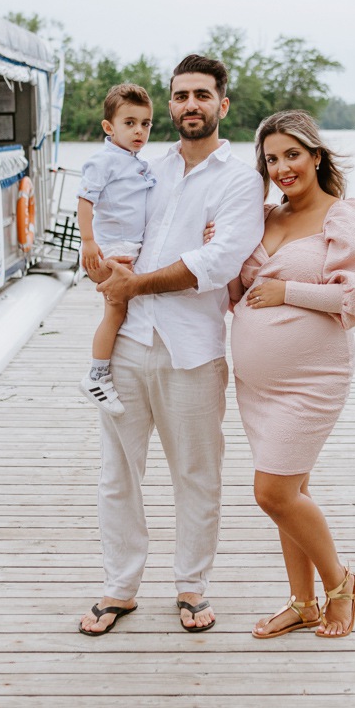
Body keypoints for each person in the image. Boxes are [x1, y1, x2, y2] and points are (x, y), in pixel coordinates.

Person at [78, 54, 264, 636]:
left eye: (201, 95)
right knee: (118, 474)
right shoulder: (147, 169)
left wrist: (143, 278)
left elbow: (218, 261)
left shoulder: (240, 180)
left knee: (196, 473)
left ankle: (191, 586)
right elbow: (112, 227)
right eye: (180, 96)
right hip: (129, 338)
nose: (190, 105)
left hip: (192, 348)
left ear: (222, 105)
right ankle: (120, 588)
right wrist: (103, 265)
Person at [229, 110, 355, 639]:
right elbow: (235, 292)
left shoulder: (343, 216)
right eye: (271, 159)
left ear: (316, 156)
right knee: (291, 495)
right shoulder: (264, 218)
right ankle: (302, 603)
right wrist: (219, 243)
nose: (282, 168)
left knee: (273, 493)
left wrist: (287, 291)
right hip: (257, 385)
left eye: (292, 155)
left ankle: (341, 585)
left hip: (311, 380)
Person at [77, 83, 156, 417]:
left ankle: (109, 370)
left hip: (131, 244)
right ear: (109, 127)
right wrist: (89, 241)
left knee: (123, 311)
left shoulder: (135, 161)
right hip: (115, 247)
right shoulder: (103, 161)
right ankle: (96, 375)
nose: (139, 130)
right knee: (115, 311)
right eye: (129, 123)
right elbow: (85, 200)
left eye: (146, 123)